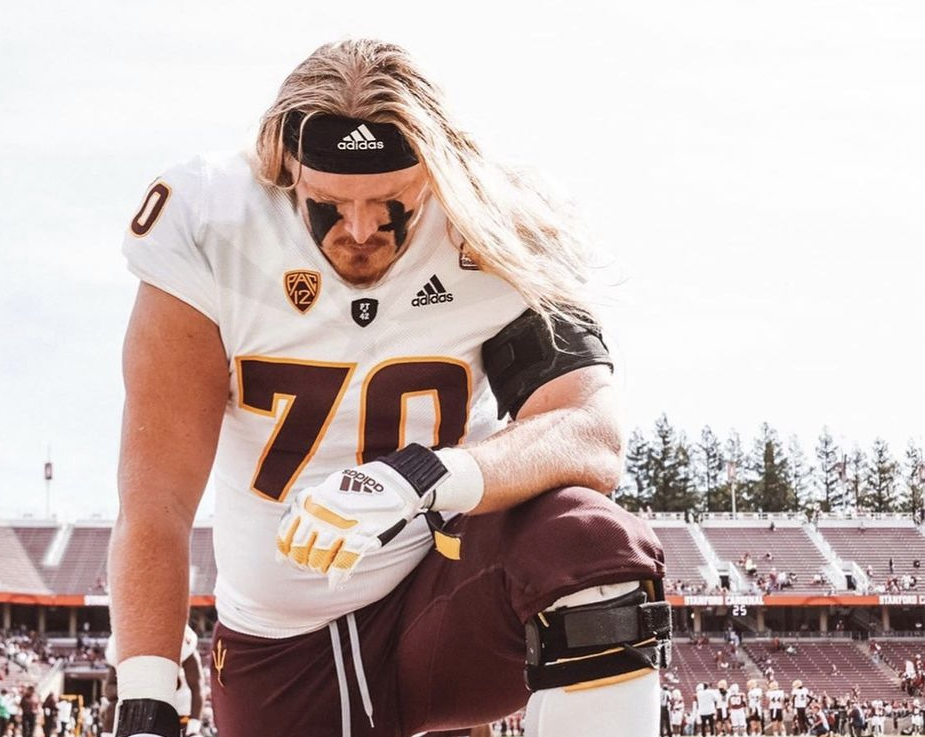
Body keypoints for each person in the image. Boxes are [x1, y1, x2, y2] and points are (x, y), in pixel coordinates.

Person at [109, 38, 668, 737]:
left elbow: (589, 428)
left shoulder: (489, 221)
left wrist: (425, 473)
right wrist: (145, 702)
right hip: (278, 644)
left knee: (591, 546)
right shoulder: (211, 225)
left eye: (391, 202)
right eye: (331, 203)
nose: (363, 228)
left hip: (439, 593)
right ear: (286, 171)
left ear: (435, 175)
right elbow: (156, 500)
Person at [102, 628, 203, 736]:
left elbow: (197, 686)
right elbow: (109, 688)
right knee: (112, 709)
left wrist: (194, 727)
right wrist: (137, 688)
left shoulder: (178, 633)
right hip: (138, 712)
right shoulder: (120, 639)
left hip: (176, 709)